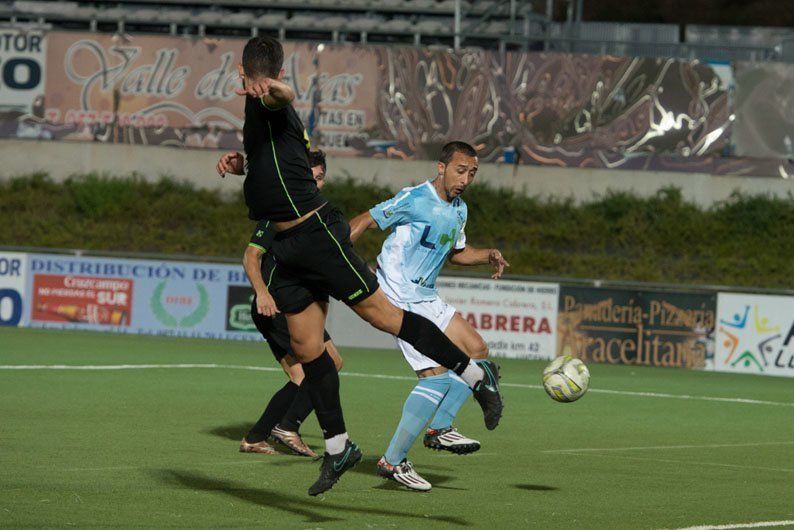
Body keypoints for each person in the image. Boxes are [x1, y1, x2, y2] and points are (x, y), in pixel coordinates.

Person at [233, 36, 502, 496]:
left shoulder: (271, 103)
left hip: (316, 236)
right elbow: (273, 167)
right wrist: (240, 164)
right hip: (286, 248)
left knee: (385, 319)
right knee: (309, 348)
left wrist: (272, 88)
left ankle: (476, 378)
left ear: (249, 75)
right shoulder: (257, 120)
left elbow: (287, 97)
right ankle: (339, 448)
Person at [349, 141, 509, 491]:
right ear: (441, 167)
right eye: (460, 170)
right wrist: (334, 256)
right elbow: (366, 220)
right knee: (435, 377)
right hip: (399, 297)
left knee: (477, 350)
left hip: (427, 295)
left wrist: (488, 255)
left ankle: (440, 428)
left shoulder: (459, 209)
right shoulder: (415, 198)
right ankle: (392, 461)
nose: (465, 179)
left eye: (472, 173)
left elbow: (458, 253)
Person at [218, 149, 336, 459]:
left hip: (292, 305)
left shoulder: (313, 214)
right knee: (328, 364)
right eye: (309, 177)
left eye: (320, 178)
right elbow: (250, 255)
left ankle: (257, 437)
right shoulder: (281, 212)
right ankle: (287, 427)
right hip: (279, 306)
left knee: (302, 376)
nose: (315, 183)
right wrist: (263, 293)